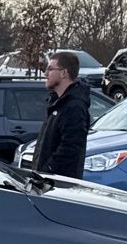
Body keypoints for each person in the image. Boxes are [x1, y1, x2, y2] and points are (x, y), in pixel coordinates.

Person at [34, 49, 91, 179]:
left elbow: (71, 147)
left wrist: (48, 169)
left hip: (59, 185)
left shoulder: (75, 106)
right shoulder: (56, 102)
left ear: (64, 73)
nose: (46, 74)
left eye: (50, 69)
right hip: (46, 182)